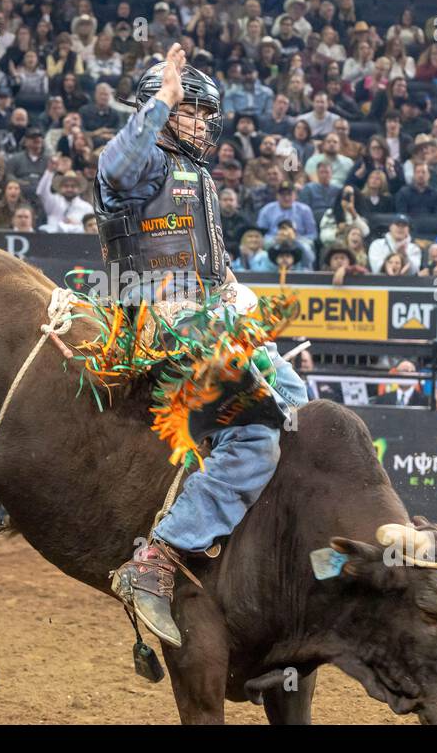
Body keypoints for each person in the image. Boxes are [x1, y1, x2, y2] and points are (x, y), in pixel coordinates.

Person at [92, 43, 307, 648]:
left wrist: (244, 311)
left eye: (203, 117)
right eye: (191, 113)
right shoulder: (145, 167)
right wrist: (161, 100)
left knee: (296, 396)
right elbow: (114, 165)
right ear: (158, 110)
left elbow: (211, 265)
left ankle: (254, 537)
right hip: (160, 324)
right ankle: (156, 559)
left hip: (208, 315)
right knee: (254, 436)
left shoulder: (196, 174)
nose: (202, 126)